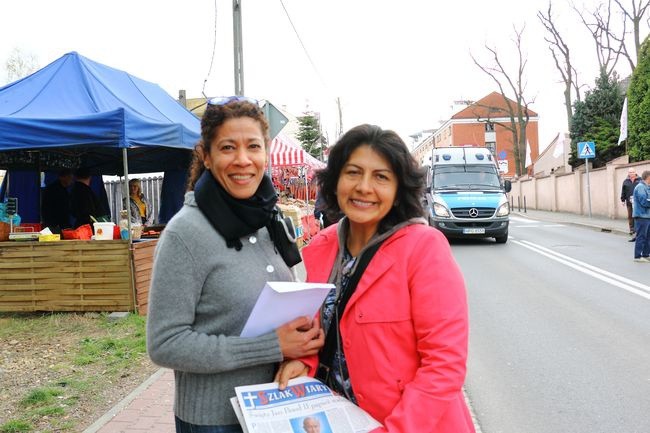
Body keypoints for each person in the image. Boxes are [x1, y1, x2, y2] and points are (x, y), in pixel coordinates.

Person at [276, 124, 475, 432]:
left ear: (398, 191)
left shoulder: (424, 249)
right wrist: (305, 363)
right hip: (337, 418)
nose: (364, 187)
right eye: (353, 172)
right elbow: (323, 333)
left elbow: (444, 365)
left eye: (381, 177)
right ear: (336, 180)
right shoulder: (323, 247)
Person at [146, 96, 324, 433]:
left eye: (253, 147)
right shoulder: (185, 233)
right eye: (228, 148)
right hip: (216, 420)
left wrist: (300, 350)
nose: (243, 160)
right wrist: (272, 346)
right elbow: (165, 344)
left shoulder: (269, 220)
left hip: (274, 408)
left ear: (265, 154)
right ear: (208, 158)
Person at [41, 169, 74, 233]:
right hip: (54, 225)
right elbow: (48, 208)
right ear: (62, 177)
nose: (71, 180)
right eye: (69, 177)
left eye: (72, 178)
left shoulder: (65, 190)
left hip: (62, 224)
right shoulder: (52, 189)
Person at [632, 170, 650, 262]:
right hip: (641, 215)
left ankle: (646, 254)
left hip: (647, 216)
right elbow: (644, 202)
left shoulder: (647, 187)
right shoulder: (640, 187)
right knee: (641, 236)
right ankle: (638, 256)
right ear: (648, 177)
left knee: (648, 236)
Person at [621, 168, 640, 240]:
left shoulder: (640, 180)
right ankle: (632, 231)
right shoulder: (625, 181)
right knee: (630, 216)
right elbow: (623, 191)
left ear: (635, 172)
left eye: (632, 172)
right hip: (629, 202)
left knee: (637, 216)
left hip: (638, 202)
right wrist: (622, 200)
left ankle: (638, 232)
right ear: (628, 173)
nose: (631, 173)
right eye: (630, 172)